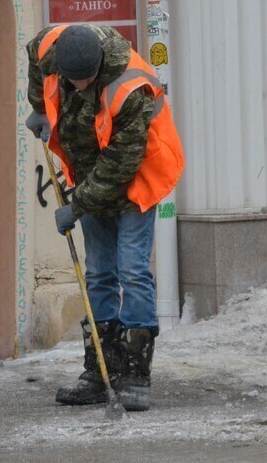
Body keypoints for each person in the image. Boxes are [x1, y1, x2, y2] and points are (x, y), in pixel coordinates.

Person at [24, 23, 184, 411]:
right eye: (71, 80)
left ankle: (134, 372)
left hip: (137, 175)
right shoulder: (50, 48)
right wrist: (38, 109)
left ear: (98, 67)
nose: (78, 87)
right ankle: (98, 369)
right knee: (98, 272)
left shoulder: (130, 90)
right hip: (89, 170)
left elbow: (118, 168)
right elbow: (33, 57)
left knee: (131, 269)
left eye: (86, 81)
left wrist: (76, 208)